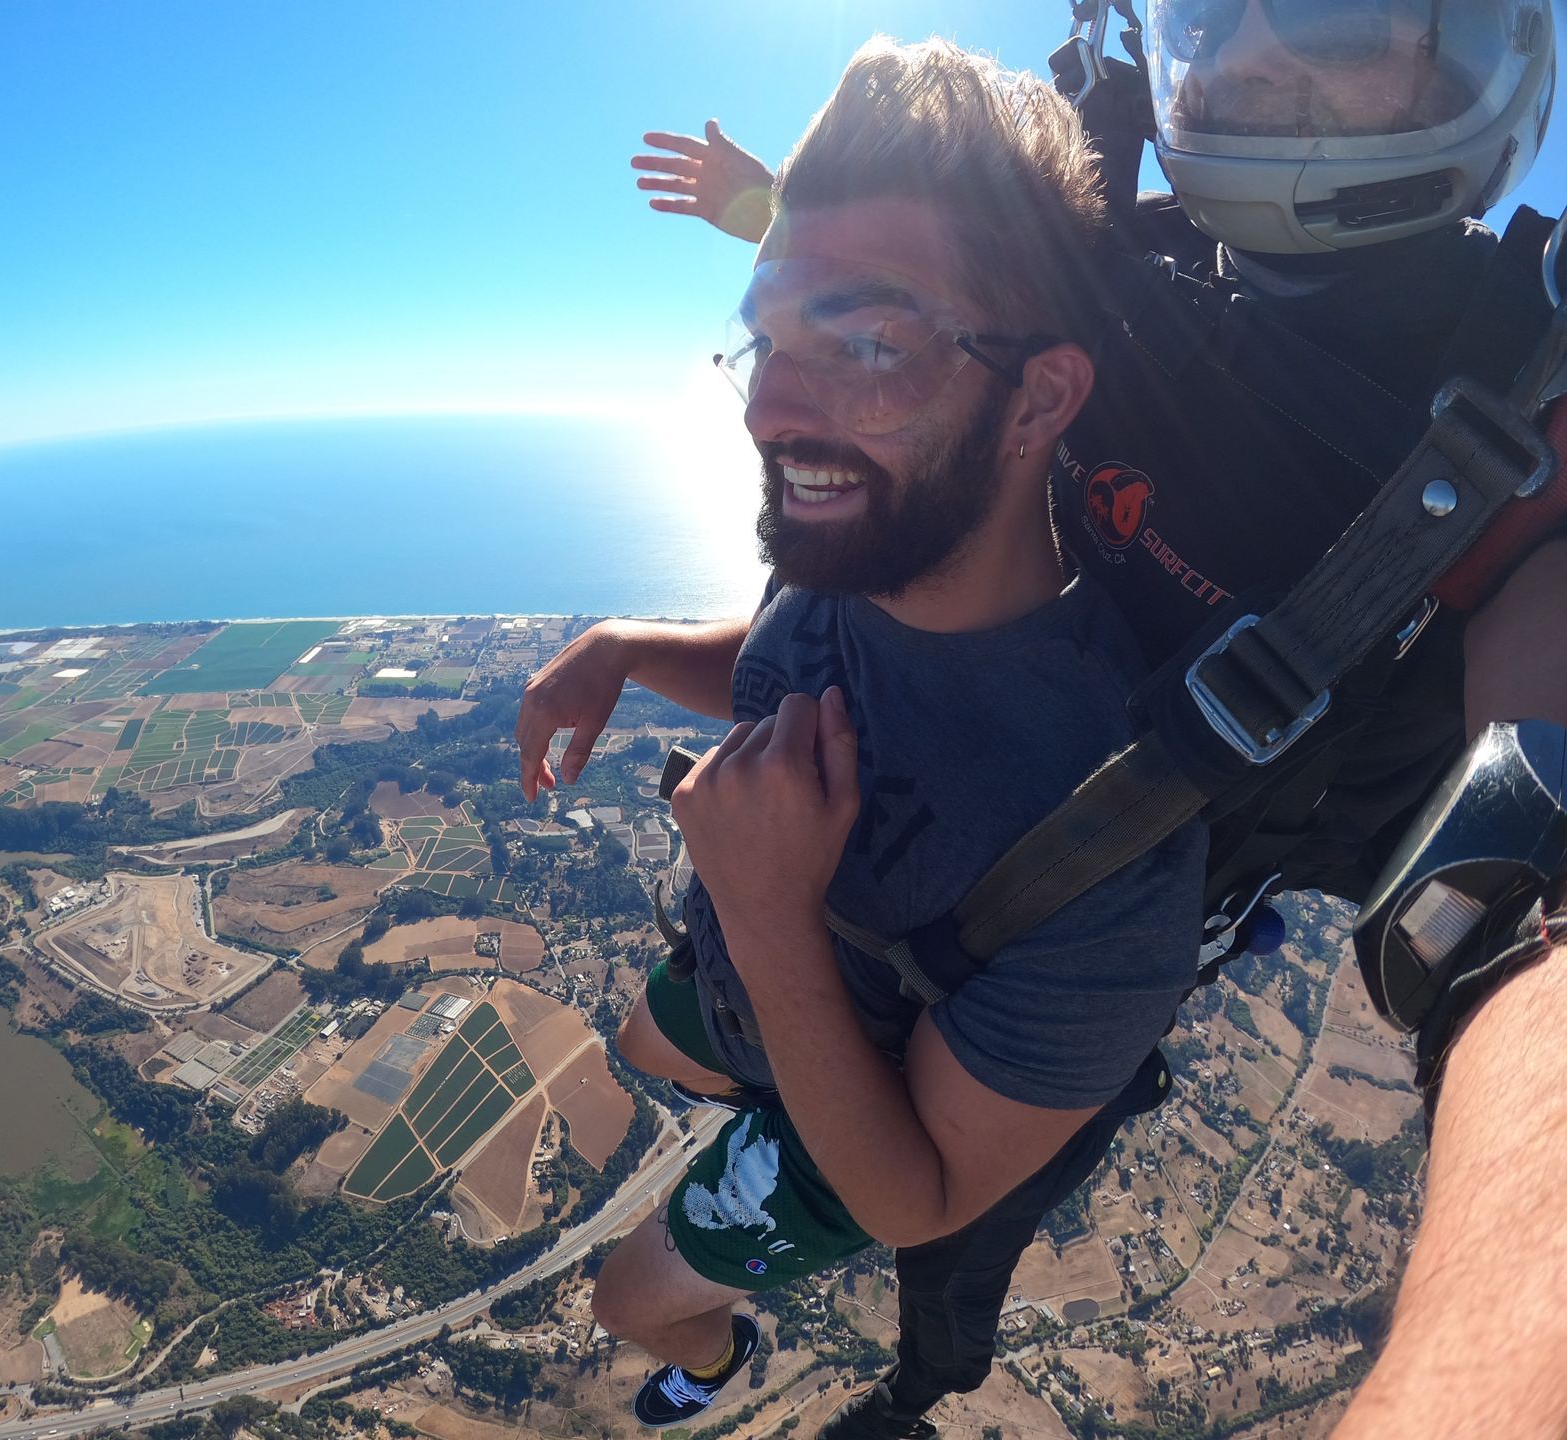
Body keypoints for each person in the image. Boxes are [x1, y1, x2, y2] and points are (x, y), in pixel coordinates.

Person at [634, 3, 1567, 1436]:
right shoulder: (1137, 271)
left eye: (1329, 6)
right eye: (1214, 5)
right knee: (662, 1051)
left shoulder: (1525, 433)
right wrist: (774, 221)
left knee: (718, 1183)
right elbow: (939, 310)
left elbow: (1539, 892)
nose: (1252, 51)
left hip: (1020, 945)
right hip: (851, 880)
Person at [517, 37, 1209, 1430]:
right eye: (771, 339)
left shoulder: (1111, 839)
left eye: (867, 346)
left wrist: (767, 913)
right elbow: (784, 668)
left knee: (622, 1300)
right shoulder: (866, 536)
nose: (773, 409)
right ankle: (748, 1090)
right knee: (641, 1056)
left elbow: (917, 1197)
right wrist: (630, 652)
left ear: (1041, 401)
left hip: (870, 1107)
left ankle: (710, 1364)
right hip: (761, 989)